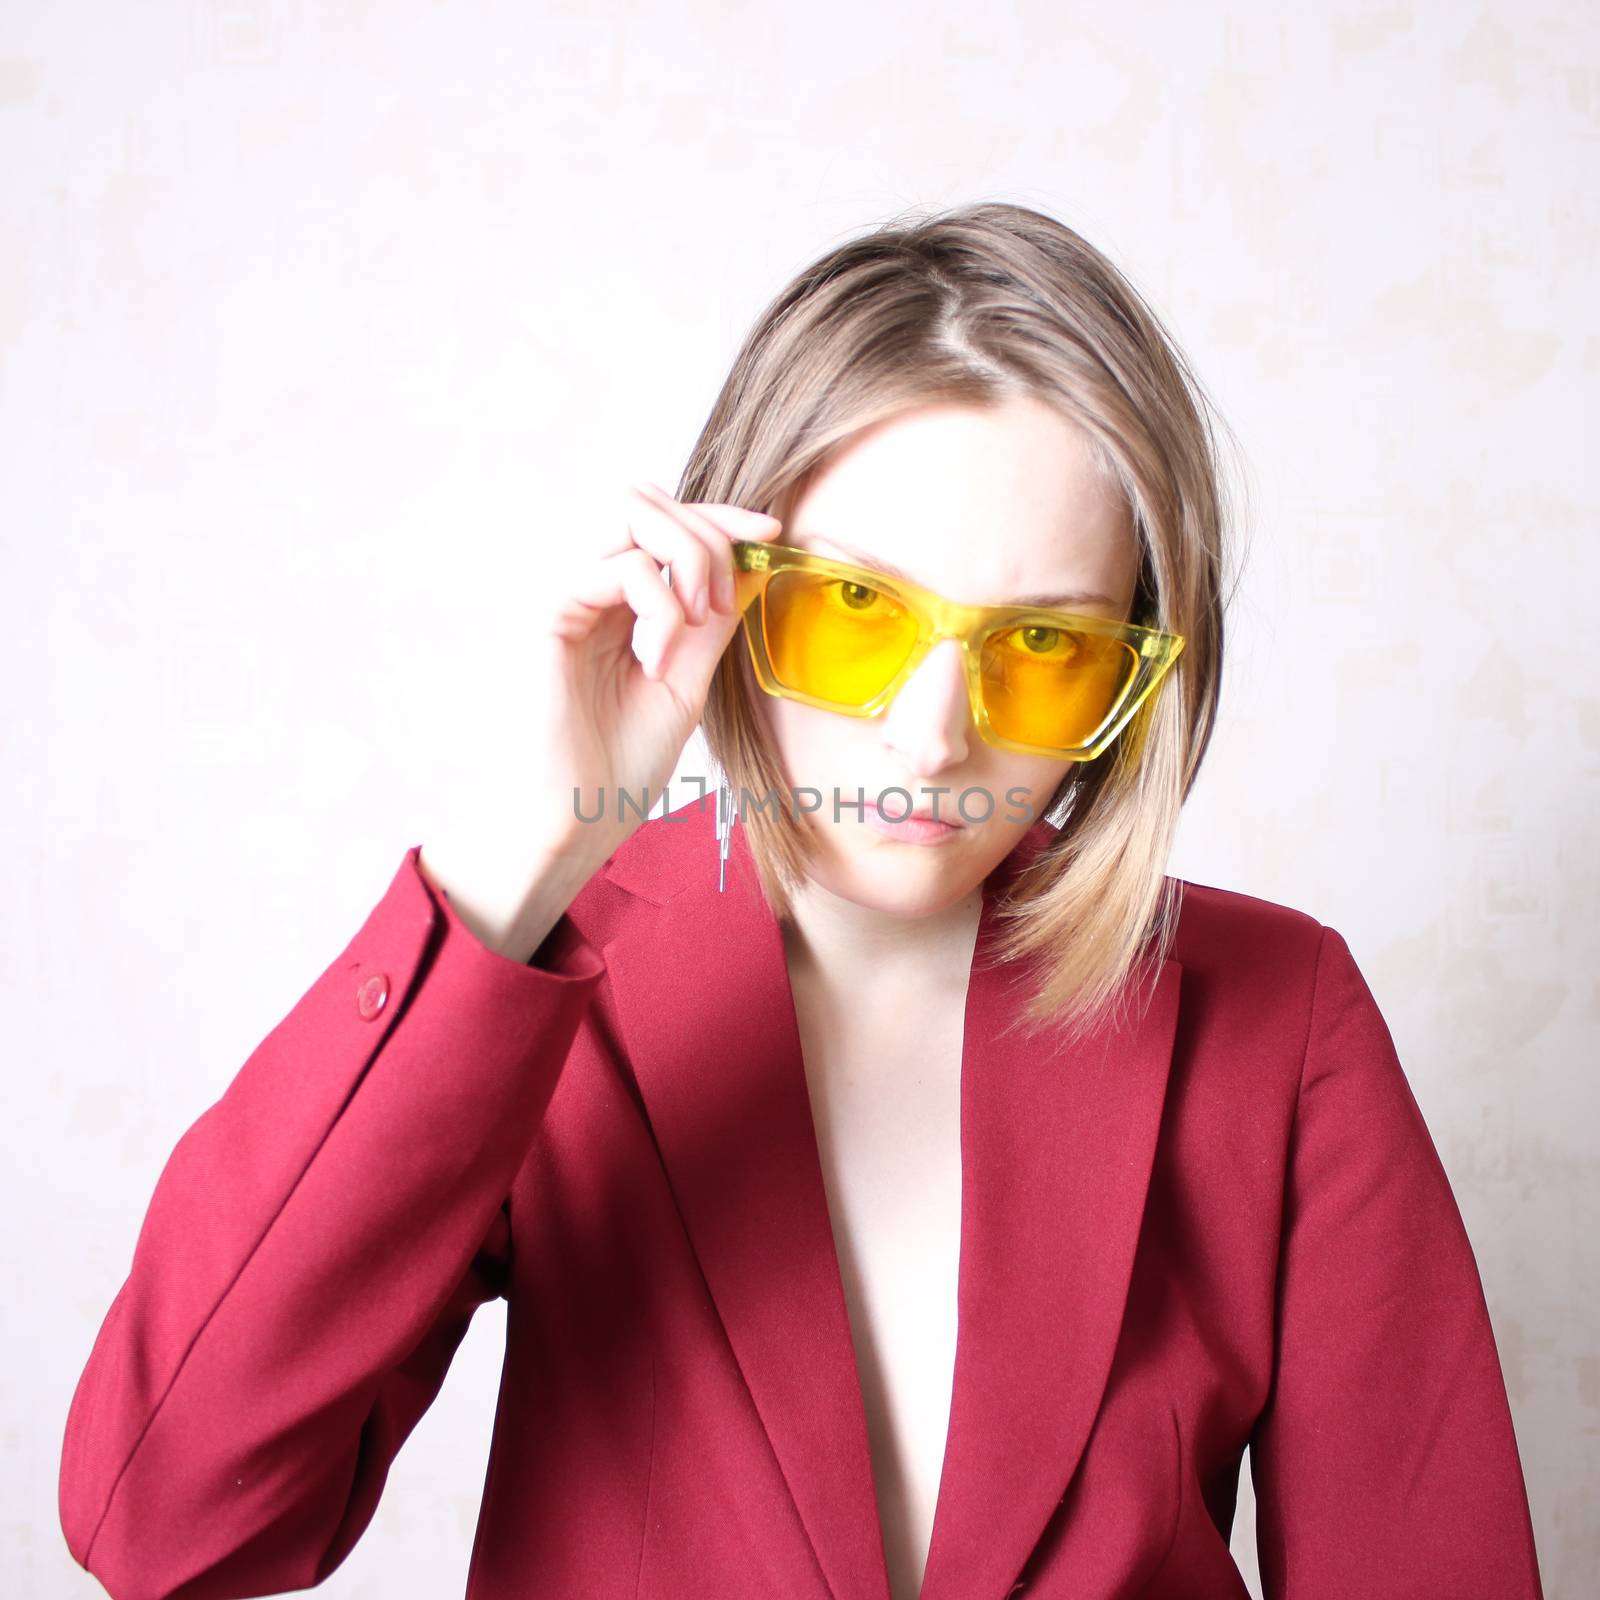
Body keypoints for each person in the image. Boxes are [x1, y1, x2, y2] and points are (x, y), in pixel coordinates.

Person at [58, 201, 1544, 1600]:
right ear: (726, 588)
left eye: (1043, 645)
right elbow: (169, 1519)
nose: (932, 736)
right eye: (854, 612)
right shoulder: (552, 983)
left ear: (1138, 677)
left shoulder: (1276, 1022)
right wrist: (530, 851)